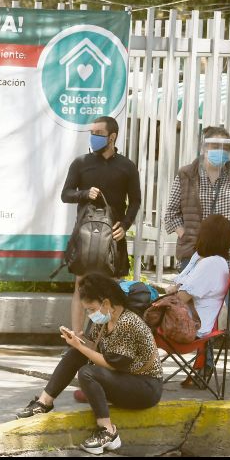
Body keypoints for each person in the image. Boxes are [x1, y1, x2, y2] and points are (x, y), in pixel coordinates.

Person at [164, 126, 230, 373]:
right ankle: (205, 362)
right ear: (204, 147)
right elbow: (170, 214)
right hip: (198, 256)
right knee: (197, 307)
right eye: (214, 146)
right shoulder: (187, 175)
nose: (219, 151)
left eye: (225, 146)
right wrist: (189, 236)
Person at [16, 273, 163, 455]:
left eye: (91, 309)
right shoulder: (106, 320)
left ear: (107, 303)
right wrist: (76, 341)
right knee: (76, 352)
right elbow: (91, 346)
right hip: (125, 381)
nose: (89, 314)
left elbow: (112, 365)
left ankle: (108, 431)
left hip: (146, 388)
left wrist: (80, 346)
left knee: (87, 372)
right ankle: (44, 403)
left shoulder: (128, 322)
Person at [61, 116, 142, 338]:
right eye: (92, 132)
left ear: (112, 137)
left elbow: (135, 201)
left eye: (98, 133)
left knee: (111, 287)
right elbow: (65, 194)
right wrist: (84, 193)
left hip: (113, 235)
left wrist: (125, 225)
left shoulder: (127, 166)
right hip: (85, 234)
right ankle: (76, 338)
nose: (93, 136)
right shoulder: (81, 163)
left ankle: (108, 339)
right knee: (81, 284)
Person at [165, 214, 230, 338]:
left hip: (189, 326)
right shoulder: (212, 260)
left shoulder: (211, 264)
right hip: (191, 321)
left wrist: (172, 291)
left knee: (135, 311)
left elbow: (181, 298)